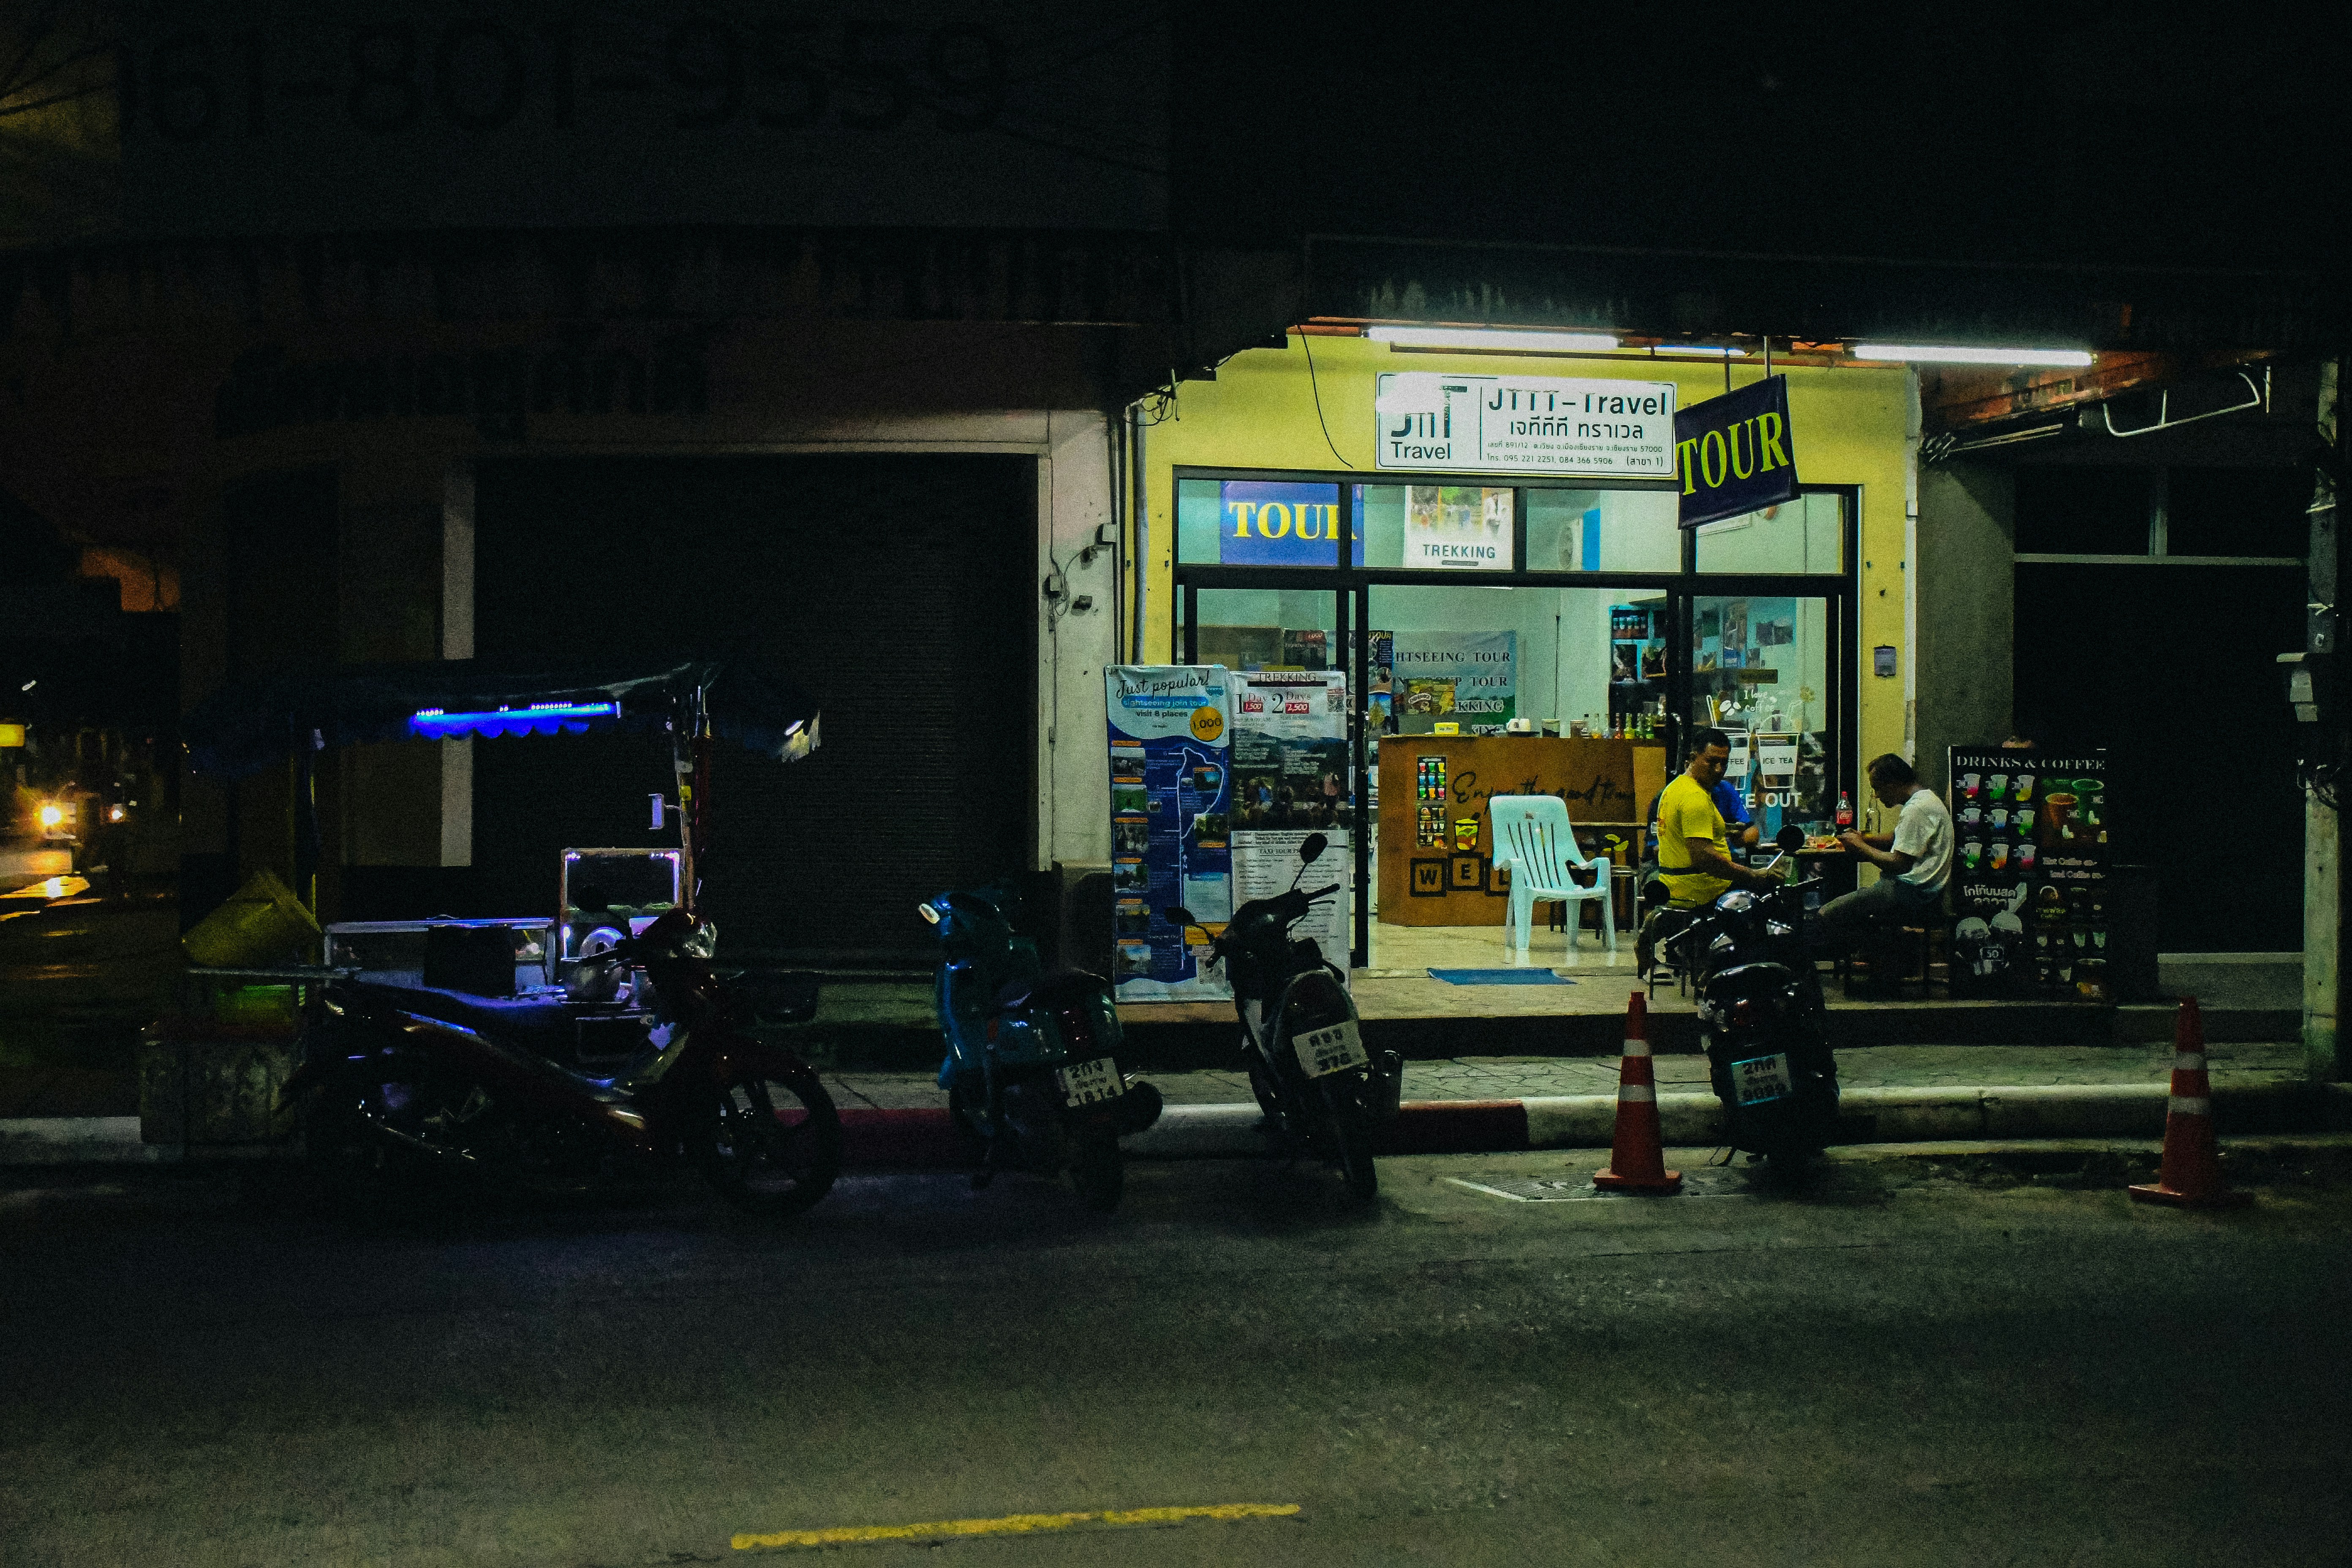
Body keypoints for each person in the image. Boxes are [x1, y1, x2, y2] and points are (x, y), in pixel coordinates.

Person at [1819, 752, 1951, 937]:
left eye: (1878, 789)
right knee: (1856, 913)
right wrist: (1864, 839)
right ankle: (1878, 953)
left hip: (1911, 892)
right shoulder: (1925, 799)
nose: (1877, 795)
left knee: (1827, 914)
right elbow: (1897, 837)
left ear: (1893, 784)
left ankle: (1863, 960)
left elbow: (1899, 864)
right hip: (1923, 891)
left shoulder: (1917, 809)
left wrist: (1860, 847)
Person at [1656, 727, 1787, 908]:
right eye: (1711, 762)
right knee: (1778, 899)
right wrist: (1753, 874)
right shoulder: (1694, 797)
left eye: (1724, 763)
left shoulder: (1674, 788)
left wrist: (1725, 830)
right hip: (1705, 891)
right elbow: (1704, 858)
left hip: (1679, 887)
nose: (1719, 770)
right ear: (1693, 759)